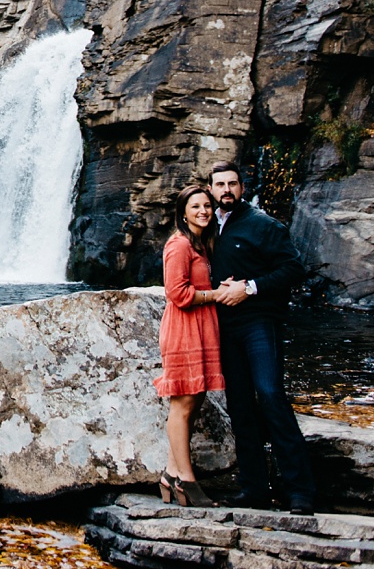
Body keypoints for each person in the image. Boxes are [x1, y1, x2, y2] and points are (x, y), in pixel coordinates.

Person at [208, 162, 316, 514]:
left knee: (270, 395)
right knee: (239, 405)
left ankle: (300, 491)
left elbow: (294, 269)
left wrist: (249, 288)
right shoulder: (208, 226)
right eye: (219, 184)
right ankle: (254, 489)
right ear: (210, 189)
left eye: (232, 184)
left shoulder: (263, 225)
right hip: (224, 326)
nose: (226, 189)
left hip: (258, 322)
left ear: (242, 188)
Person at [154, 184, 224, 508]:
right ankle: (187, 481)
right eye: (195, 206)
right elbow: (178, 294)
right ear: (183, 212)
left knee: (194, 401)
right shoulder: (178, 245)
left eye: (207, 206)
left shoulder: (202, 243)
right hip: (183, 329)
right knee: (182, 405)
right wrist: (217, 295)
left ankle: (169, 474)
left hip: (201, 328)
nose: (203, 211)